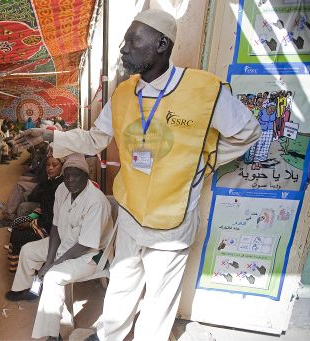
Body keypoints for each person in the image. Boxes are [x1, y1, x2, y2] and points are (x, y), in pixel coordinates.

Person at [15, 9, 262, 341]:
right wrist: (50, 137)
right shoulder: (122, 94)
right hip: (131, 214)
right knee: (121, 284)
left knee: (160, 300)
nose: (124, 48)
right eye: (125, 40)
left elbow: (247, 132)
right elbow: (94, 139)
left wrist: (205, 160)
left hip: (173, 220)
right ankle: (107, 336)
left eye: (134, 40)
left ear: (161, 44)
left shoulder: (204, 90)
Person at [5, 153, 113, 341]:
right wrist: (49, 259)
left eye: (76, 175)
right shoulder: (62, 189)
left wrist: (53, 265)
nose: (70, 180)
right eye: (67, 175)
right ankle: (25, 289)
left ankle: (53, 335)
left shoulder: (96, 201)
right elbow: (55, 226)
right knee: (28, 250)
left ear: (86, 177)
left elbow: (84, 245)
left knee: (53, 277)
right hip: (66, 242)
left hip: (91, 254)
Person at [7, 152, 65, 272]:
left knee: (19, 234)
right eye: (48, 165)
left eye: (55, 165)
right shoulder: (50, 181)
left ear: (62, 167)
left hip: (52, 228)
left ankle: (21, 268)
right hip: (43, 219)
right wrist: (30, 217)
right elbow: (43, 207)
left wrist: (31, 223)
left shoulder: (59, 186)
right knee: (16, 223)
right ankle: (19, 263)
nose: (50, 168)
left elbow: (51, 218)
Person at [250, 102, 277, 170]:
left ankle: (259, 161)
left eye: (273, 110)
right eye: (270, 109)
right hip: (261, 130)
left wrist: (275, 131)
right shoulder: (262, 111)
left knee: (266, 146)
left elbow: (274, 122)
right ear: (267, 107)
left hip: (269, 131)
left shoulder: (274, 113)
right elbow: (256, 120)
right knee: (258, 146)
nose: (271, 111)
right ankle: (256, 162)